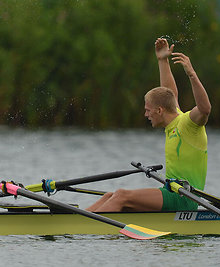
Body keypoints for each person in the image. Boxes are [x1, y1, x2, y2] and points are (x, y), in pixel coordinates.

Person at [86, 38, 211, 212]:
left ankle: (87, 229)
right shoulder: (172, 121)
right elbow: (169, 93)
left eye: (148, 110)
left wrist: (192, 74)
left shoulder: (187, 124)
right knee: (110, 196)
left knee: (121, 195)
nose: (145, 115)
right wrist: (162, 60)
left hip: (185, 198)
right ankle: (77, 223)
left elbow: (205, 109)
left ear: (159, 111)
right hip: (171, 193)